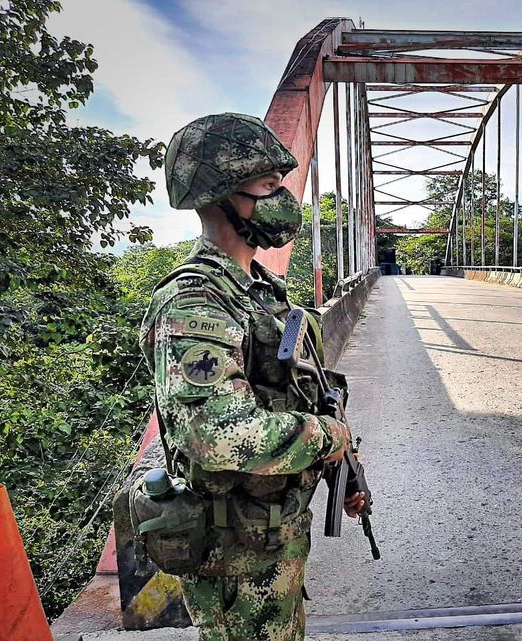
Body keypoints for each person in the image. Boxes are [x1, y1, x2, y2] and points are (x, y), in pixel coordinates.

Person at [139, 112, 365, 641]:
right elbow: (217, 437)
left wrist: (340, 466)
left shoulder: (260, 293)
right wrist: (330, 437)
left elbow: (295, 399)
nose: (284, 199)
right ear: (220, 196)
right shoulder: (196, 300)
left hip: (272, 539)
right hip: (234, 558)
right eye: (268, 186)